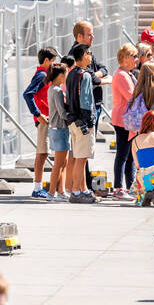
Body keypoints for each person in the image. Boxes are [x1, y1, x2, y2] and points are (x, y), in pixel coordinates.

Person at [22, 47, 58, 201]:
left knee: (44, 153)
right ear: (46, 61)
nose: (54, 64)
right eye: (53, 61)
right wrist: (38, 114)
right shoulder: (41, 75)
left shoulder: (45, 74)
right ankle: (37, 188)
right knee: (42, 153)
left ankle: (39, 186)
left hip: (47, 117)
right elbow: (27, 94)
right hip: (43, 119)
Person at [65, 43, 97, 203]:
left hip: (73, 120)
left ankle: (82, 189)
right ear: (84, 55)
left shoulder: (71, 73)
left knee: (79, 157)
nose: (91, 56)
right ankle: (76, 191)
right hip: (82, 122)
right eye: (89, 53)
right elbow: (86, 101)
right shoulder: (84, 75)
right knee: (81, 159)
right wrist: (89, 121)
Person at [109, 44, 138, 202]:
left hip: (128, 119)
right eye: (133, 56)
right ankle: (118, 188)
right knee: (123, 154)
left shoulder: (128, 74)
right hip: (123, 119)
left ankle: (128, 186)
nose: (136, 59)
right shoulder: (121, 75)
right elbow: (131, 96)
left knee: (130, 156)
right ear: (125, 58)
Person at [44, 64, 71, 201]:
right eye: (66, 74)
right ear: (61, 76)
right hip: (60, 129)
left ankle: (61, 191)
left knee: (63, 163)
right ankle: (51, 192)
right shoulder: (58, 91)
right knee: (58, 164)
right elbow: (62, 112)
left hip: (55, 129)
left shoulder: (51, 89)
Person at [131, 110, 154, 205]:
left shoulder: (135, 140)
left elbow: (137, 164)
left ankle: (144, 193)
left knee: (141, 172)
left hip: (142, 177)